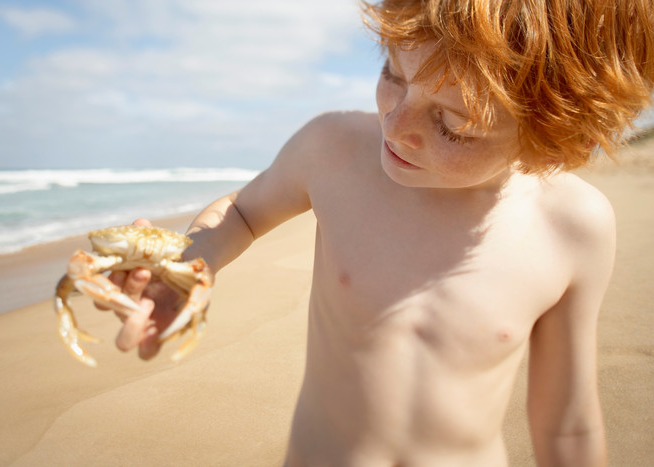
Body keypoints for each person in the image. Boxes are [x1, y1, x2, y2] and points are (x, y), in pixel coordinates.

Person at [103, 1, 654, 465]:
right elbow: (243, 213)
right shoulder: (333, 150)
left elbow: (566, 425)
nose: (396, 125)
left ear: (558, 140)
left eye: (454, 125)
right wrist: (186, 267)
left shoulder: (573, 227)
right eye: (393, 73)